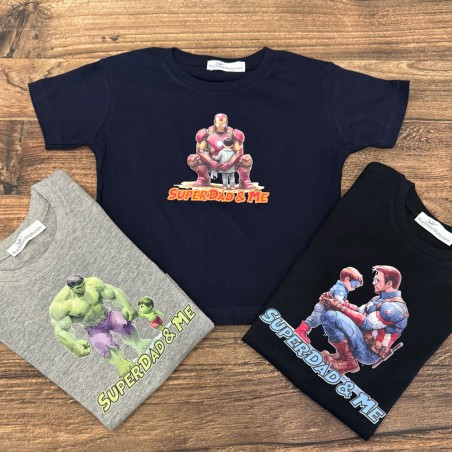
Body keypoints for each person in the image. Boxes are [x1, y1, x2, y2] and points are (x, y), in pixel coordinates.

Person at [49, 275, 152, 376]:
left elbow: (114, 292)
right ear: (71, 288)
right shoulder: (61, 305)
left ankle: (139, 343)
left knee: (124, 324)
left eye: (83, 284)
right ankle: (122, 364)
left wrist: (128, 306)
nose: (82, 288)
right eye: (78, 288)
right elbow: (60, 329)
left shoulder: (92, 283)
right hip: (94, 328)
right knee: (104, 345)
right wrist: (74, 346)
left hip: (108, 315)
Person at [320, 265, 409, 374]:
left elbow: (366, 323)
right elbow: (359, 311)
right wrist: (337, 302)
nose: (373, 283)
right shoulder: (378, 299)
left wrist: (339, 306)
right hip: (362, 341)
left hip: (368, 352)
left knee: (330, 316)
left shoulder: (394, 309)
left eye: (377, 280)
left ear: (389, 283)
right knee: (330, 313)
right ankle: (343, 357)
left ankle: (349, 362)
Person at [294, 267, 363, 344]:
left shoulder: (342, 288)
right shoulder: (340, 289)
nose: (354, 289)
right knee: (315, 319)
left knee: (317, 320)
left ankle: (302, 331)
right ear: (347, 279)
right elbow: (339, 300)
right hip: (323, 307)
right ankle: (300, 331)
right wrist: (347, 305)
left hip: (326, 307)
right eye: (354, 286)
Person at [187, 113, 254, 188]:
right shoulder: (206, 133)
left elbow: (238, 152)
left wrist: (229, 163)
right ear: (214, 122)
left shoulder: (233, 133)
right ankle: (203, 178)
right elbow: (200, 151)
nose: (220, 126)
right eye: (218, 124)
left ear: (226, 123)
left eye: (223, 124)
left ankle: (244, 180)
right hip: (211, 161)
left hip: (230, 162)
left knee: (246, 159)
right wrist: (211, 161)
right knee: (193, 159)